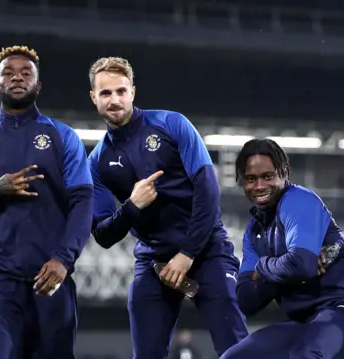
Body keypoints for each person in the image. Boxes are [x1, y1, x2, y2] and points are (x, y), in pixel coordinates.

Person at [86, 57, 248, 358]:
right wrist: (131, 206)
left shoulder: (171, 124)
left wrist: (187, 254)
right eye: (106, 93)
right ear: (94, 98)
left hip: (206, 250)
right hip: (153, 262)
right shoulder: (96, 163)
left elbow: (208, 190)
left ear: (133, 92)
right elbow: (103, 234)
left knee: (236, 348)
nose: (115, 100)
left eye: (121, 91)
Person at [0, 45, 93, 359]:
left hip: (51, 278)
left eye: (27, 73)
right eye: (8, 73)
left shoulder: (63, 137)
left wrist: (63, 260)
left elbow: (82, 202)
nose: (17, 78)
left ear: (38, 85)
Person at [220, 138, 344, 359]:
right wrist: (282, 267)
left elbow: (301, 265)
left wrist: (262, 268)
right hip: (307, 323)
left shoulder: (298, 201)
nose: (259, 186)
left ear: (285, 173)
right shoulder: (254, 233)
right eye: (251, 179)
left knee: (307, 353)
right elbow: (245, 299)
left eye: (267, 177)